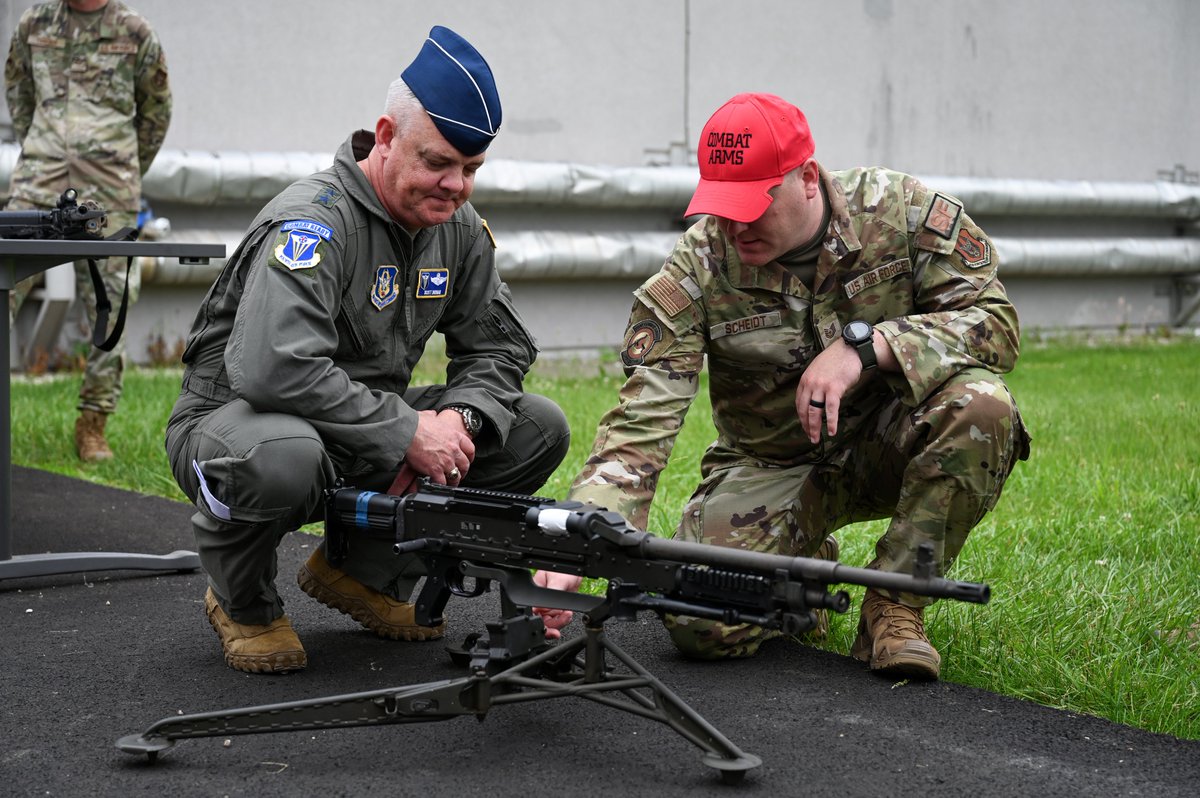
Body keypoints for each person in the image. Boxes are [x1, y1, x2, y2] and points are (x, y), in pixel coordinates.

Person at [535, 93, 1030, 680]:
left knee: (983, 408)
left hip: (890, 442)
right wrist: (581, 537)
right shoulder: (697, 268)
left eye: (754, 203)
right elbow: (642, 423)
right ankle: (800, 572)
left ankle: (895, 607)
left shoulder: (901, 214)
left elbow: (995, 325)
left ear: (808, 179)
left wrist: (868, 347)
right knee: (700, 624)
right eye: (723, 205)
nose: (736, 225)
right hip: (769, 463)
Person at [164, 26, 570, 675]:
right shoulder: (314, 225)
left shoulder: (455, 229)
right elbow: (272, 369)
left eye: (471, 169)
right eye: (438, 162)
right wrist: (408, 428)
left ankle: (364, 573)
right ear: (384, 136)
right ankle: (242, 601)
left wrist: (457, 422)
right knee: (284, 459)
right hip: (237, 427)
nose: (456, 185)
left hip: (359, 428)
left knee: (533, 428)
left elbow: (498, 351)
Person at [4, 0, 171, 462]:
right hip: (40, 177)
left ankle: (93, 424)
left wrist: (122, 167)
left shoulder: (135, 30)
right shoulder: (35, 21)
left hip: (110, 184)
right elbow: (17, 89)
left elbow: (156, 111)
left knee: (113, 299)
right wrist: (43, 145)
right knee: (5, 282)